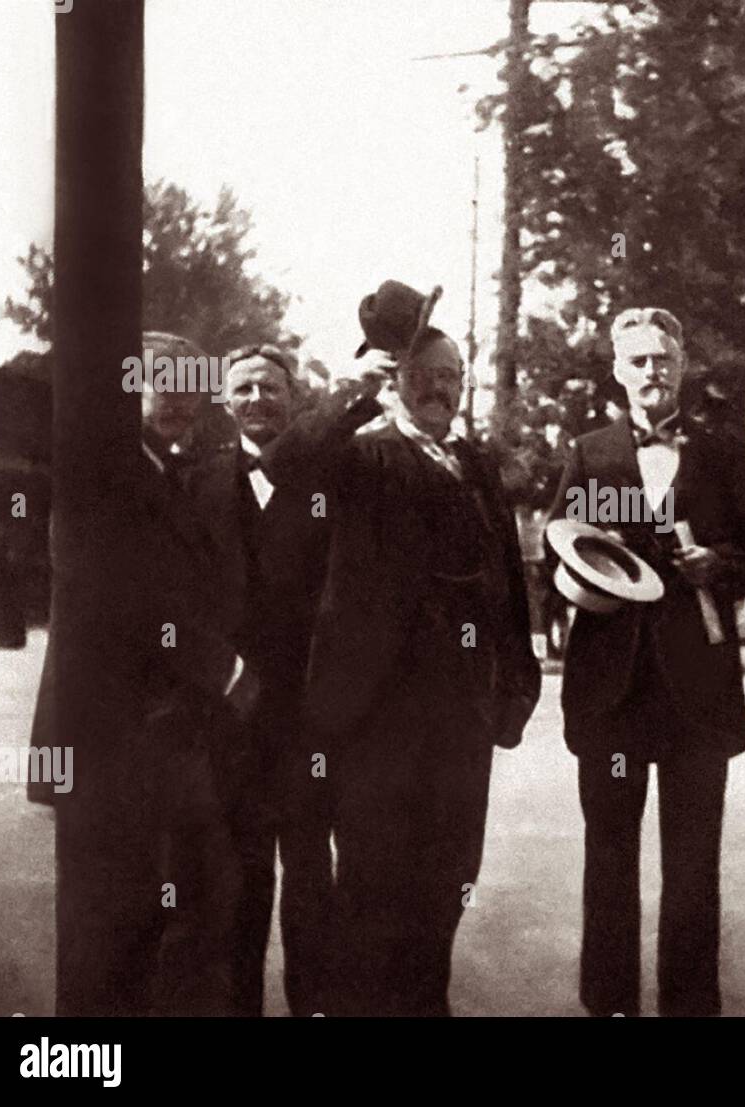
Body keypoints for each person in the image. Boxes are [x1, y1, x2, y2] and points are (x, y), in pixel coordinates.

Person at [264, 280, 541, 1015]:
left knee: (448, 884)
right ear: (395, 383)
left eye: (452, 377)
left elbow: (508, 584)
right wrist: (355, 390)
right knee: (372, 894)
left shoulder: (477, 466)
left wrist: (516, 685)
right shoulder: (361, 458)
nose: (440, 390)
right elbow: (285, 464)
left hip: (463, 722)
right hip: (374, 723)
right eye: (423, 377)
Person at [547, 306, 745, 1017]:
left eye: (663, 359)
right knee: (608, 859)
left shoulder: (721, 453)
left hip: (696, 692)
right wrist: (590, 579)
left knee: (692, 864)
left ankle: (689, 1005)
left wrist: (720, 564)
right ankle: (608, 1002)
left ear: (682, 367)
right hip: (611, 687)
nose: (652, 371)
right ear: (617, 370)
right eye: (639, 360)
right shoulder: (590, 454)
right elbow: (556, 551)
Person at [31, 331, 255, 1015]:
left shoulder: (162, 471)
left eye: (192, 385)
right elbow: (125, 597)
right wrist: (224, 670)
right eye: (164, 382)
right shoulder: (101, 472)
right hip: (105, 742)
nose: (180, 400)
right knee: (104, 936)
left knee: (165, 917)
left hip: (156, 741)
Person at [189, 343, 334, 1015]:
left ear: (293, 397)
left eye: (270, 387)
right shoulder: (197, 482)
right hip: (231, 718)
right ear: (224, 402)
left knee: (309, 878)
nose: (256, 399)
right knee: (239, 883)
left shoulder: (330, 480)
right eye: (243, 388)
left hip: (310, 715)